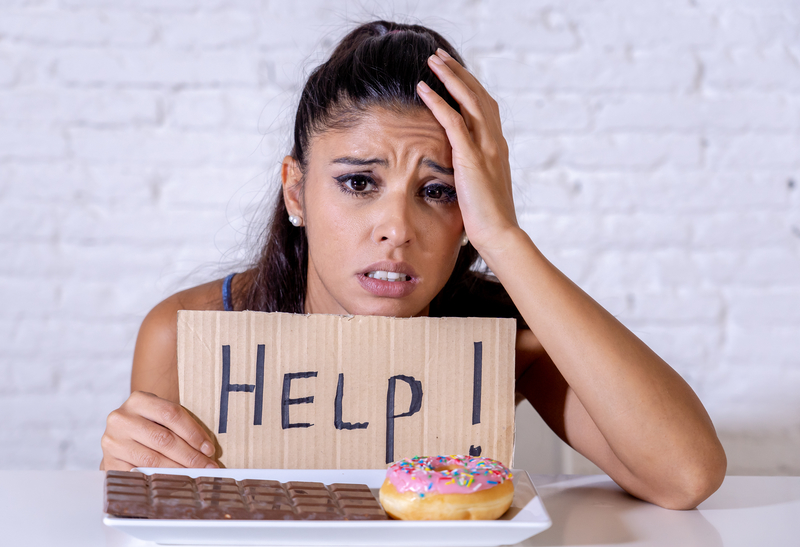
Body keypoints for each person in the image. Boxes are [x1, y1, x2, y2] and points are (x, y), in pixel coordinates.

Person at [100, 21, 726, 510]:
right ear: (296, 191)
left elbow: (685, 476)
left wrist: (504, 237)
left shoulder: (510, 338)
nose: (396, 229)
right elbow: (161, 514)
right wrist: (132, 469)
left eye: (438, 191)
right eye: (358, 182)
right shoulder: (187, 332)